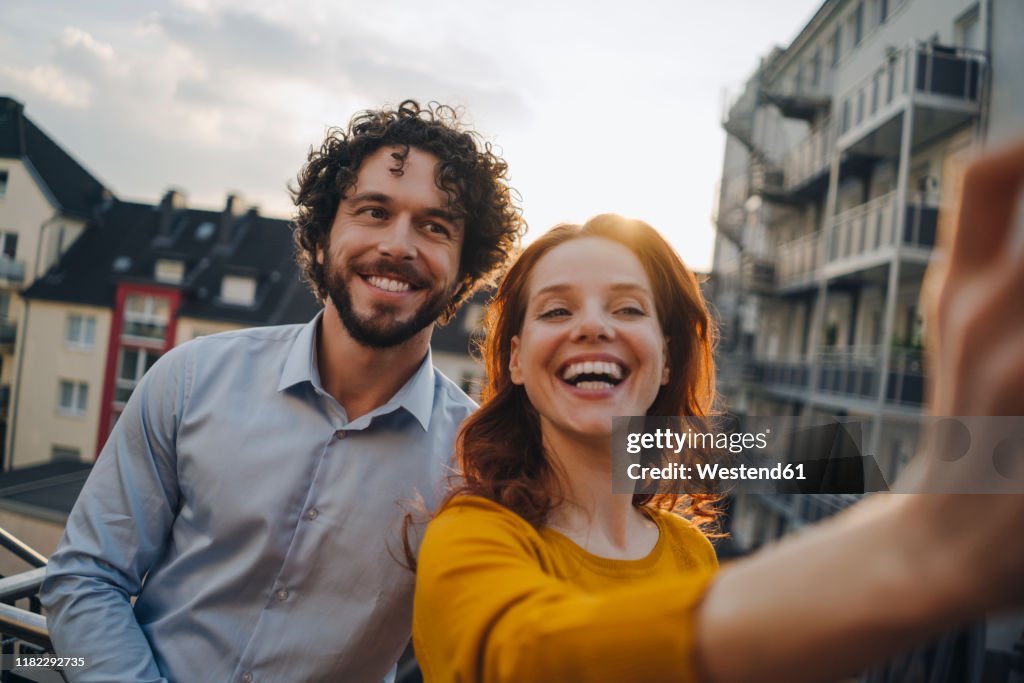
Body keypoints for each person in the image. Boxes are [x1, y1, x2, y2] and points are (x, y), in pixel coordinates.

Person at [412, 141, 1024, 683]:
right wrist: (907, 551)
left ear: (669, 359)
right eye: (556, 310)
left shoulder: (690, 552)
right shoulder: (471, 535)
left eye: (628, 309)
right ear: (516, 360)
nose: (594, 325)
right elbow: (520, 660)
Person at [40, 100, 524, 683]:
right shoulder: (190, 378)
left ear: (464, 274)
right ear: (321, 240)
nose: (399, 244)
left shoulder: (475, 467)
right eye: (374, 211)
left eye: (435, 226)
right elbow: (86, 577)